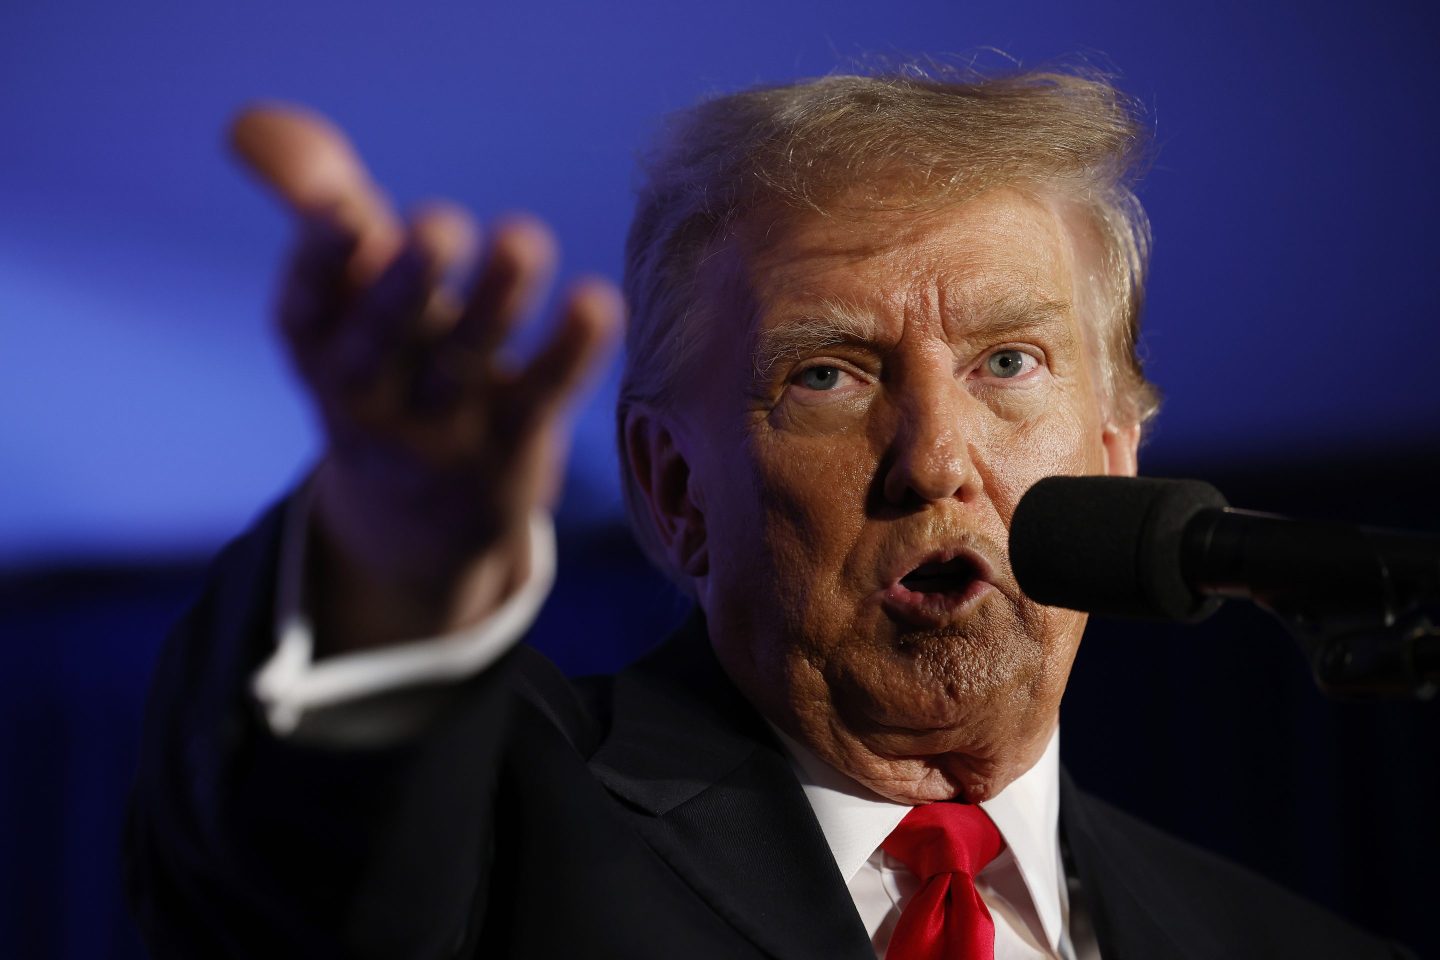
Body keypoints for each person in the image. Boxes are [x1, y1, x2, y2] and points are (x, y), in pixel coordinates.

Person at [126, 67, 1412, 959]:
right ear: (676, 494)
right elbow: (295, 880)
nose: (937, 459)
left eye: (1009, 362)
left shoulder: (1287, 943)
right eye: (828, 376)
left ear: (1117, 456)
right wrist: (390, 559)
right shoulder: (499, 827)